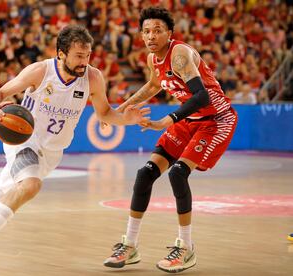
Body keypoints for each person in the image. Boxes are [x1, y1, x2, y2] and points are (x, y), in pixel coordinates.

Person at [0, 25, 150, 272]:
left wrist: (126, 119)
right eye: (78, 56)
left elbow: (105, 113)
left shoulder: (93, 78)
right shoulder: (40, 71)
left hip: (52, 153)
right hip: (23, 140)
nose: (84, 62)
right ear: (61, 54)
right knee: (31, 185)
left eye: (87, 56)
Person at [103, 7, 238, 273]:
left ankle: (186, 249)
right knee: (145, 174)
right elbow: (153, 86)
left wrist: (169, 119)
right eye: (146, 31)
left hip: (215, 120)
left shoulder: (180, 54)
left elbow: (203, 98)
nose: (151, 36)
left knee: (177, 174)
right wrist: (121, 109)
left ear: (169, 33)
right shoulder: (154, 59)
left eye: (157, 30)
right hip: (189, 120)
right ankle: (129, 245)